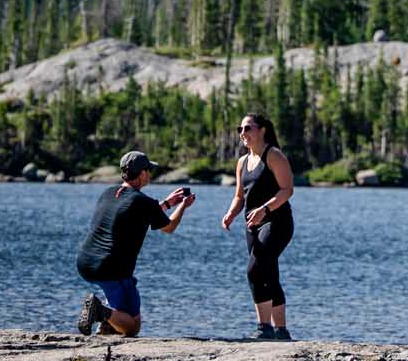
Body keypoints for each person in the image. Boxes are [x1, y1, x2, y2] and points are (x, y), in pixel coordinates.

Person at [74, 150, 195, 337]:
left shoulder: (109, 193)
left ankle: (108, 324)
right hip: (110, 268)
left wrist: (167, 204)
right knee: (132, 327)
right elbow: (168, 227)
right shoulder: (144, 203)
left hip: (86, 262)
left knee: (126, 313)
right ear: (142, 174)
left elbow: (136, 214)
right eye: (149, 170)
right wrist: (182, 206)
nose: (150, 174)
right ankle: (101, 311)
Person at [220, 111, 297, 341]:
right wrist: (231, 213)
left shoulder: (273, 155)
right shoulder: (242, 161)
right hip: (252, 224)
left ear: (262, 130)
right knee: (269, 273)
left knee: (255, 268)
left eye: (248, 128)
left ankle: (264, 328)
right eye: (240, 129)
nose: (243, 133)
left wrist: (265, 209)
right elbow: (239, 196)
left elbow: (287, 190)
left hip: (277, 221)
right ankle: (281, 332)